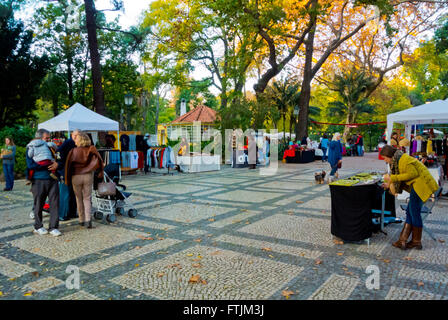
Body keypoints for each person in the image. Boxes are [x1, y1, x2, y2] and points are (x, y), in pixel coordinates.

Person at [380, 145, 438, 250]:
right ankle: (403, 240)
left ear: (389, 155)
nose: (385, 160)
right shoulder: (398, 160)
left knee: (414, 213)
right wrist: (389, 184)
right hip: (418, 186)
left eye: (384, 158)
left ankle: (416, 241)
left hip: (421, 186)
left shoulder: (404, 159)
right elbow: (403, 176)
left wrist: (392, 178)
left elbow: (413, 174)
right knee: (410, 212)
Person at [26, 129, 61, 236]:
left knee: (55, 203)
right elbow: (30, 165)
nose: (48, 140)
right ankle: (38, 226)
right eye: (46, 138)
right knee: (38, 204)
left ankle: (53, 227)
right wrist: (45, 165)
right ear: (39, 138)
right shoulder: (31, 147)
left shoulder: (50, 147)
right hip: (38, 180)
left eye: (49, 138)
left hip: (53, 179)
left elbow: (58, 158)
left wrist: (57, 164)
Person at [65, 132, 104, 228]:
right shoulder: (91, 149)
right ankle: (88, 220)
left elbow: (68, 166)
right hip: (88, 176)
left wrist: (67, 179)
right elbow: (100, 161)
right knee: (87, 198)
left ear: (78, 140)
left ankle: (81, 220)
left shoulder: (73, 151)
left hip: (76, 176)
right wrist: (100, 173)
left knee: (79, 198)